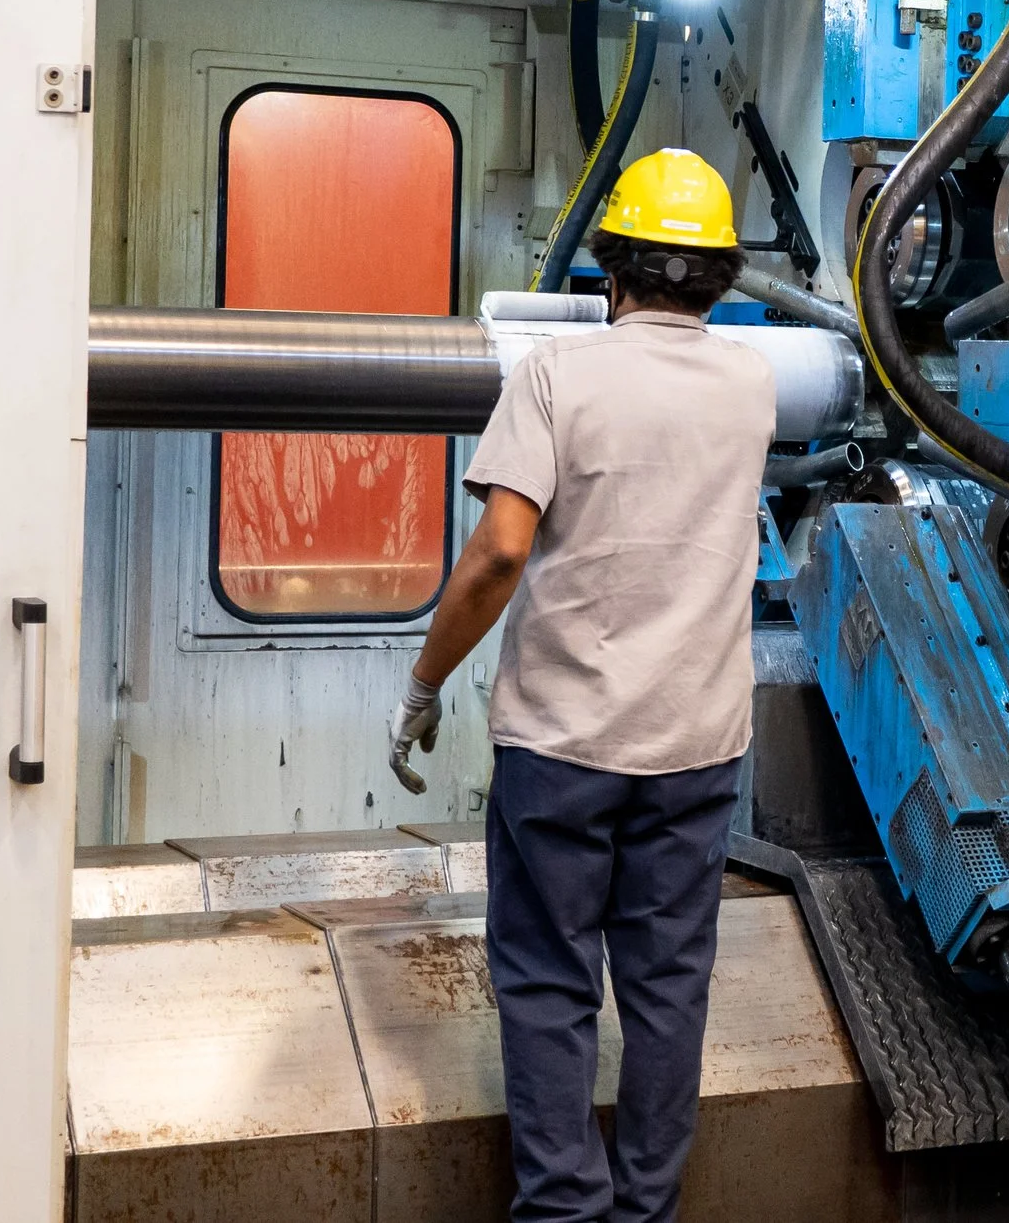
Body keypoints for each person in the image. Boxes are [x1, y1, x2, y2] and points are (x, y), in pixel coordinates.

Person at [389, 148, 776, 1223]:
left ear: (613, 269)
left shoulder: (558, 373)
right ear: (718, 277)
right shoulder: (753, 384)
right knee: (666, 993)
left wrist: (424, 684)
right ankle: (645, 1209)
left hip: (561, 746)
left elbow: (499, 553)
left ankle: (563, 1212)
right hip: (697, 745)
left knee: (552, 985)